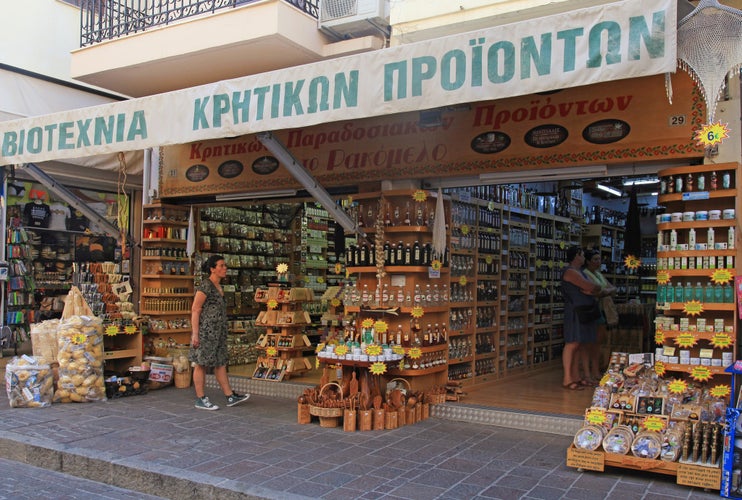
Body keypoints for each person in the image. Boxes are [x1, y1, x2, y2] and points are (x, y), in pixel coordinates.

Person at [190, 255, 250, 410]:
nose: (225, 268)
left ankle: (229, 395)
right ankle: (200, 397)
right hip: (206, 332)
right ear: (212, 269)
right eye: (221, 265)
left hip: (219, 332)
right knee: (201, 363)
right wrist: (195, 334)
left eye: (225, 265)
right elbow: (196, 309)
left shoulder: (219, 287)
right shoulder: (205, 286)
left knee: (220, 363)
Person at [561, 246, 601, 390]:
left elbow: (595, 287)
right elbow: (591, 287)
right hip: (575, 312)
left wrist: (593, 288)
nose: (584, 258)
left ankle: (576, 377)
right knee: (572, 343)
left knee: (578, 344)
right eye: (583, 255)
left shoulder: (578, 272)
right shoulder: (570, 272)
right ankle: (567, 378)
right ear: (577, 256)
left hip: (582, 311)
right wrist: (591, 289)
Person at [583, 249, 618, 382]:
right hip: (593, 310)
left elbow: (610, 289)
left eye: (599, 259)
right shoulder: (585, 274)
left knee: (599, 342)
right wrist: (606, 291)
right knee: (592, 343)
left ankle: (596, 370)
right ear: (588, 261)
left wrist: (605, 291)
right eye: (595, 259)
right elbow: (597, 292)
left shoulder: (598, 274)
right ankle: (592, 371)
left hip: (601, 310)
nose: (598, 262)